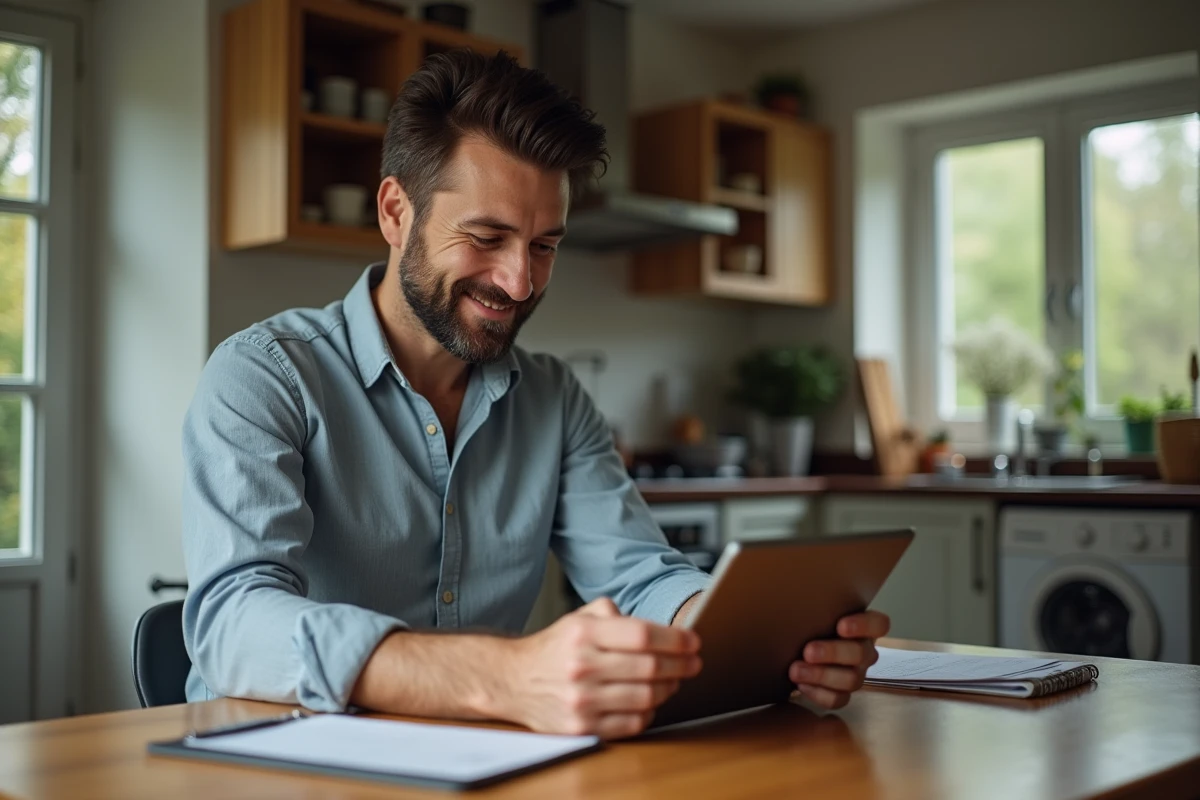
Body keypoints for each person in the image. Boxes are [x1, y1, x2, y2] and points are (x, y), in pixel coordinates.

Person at [181, 50, 887, 739]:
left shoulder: (553, 399)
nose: (519, 283)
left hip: (478, 765)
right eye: (487, 237)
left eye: (544, 246)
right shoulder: (263, 376)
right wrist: (500, 675)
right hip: (272, 763)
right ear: (397, 212)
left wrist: (770, 644)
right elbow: (235, 622)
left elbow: (640, 577)